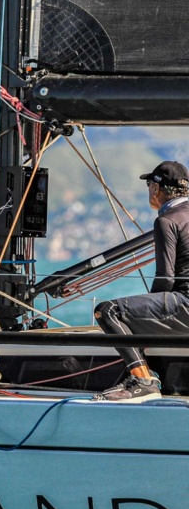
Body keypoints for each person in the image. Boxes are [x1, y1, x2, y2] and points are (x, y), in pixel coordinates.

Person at [92, 160, 189, 402]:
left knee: (107, 311)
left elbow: (166, 278)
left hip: (185, 303)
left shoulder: (167, 220)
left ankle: (143, 381)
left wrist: (141, 322)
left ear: (156, 189)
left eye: (149, 185)